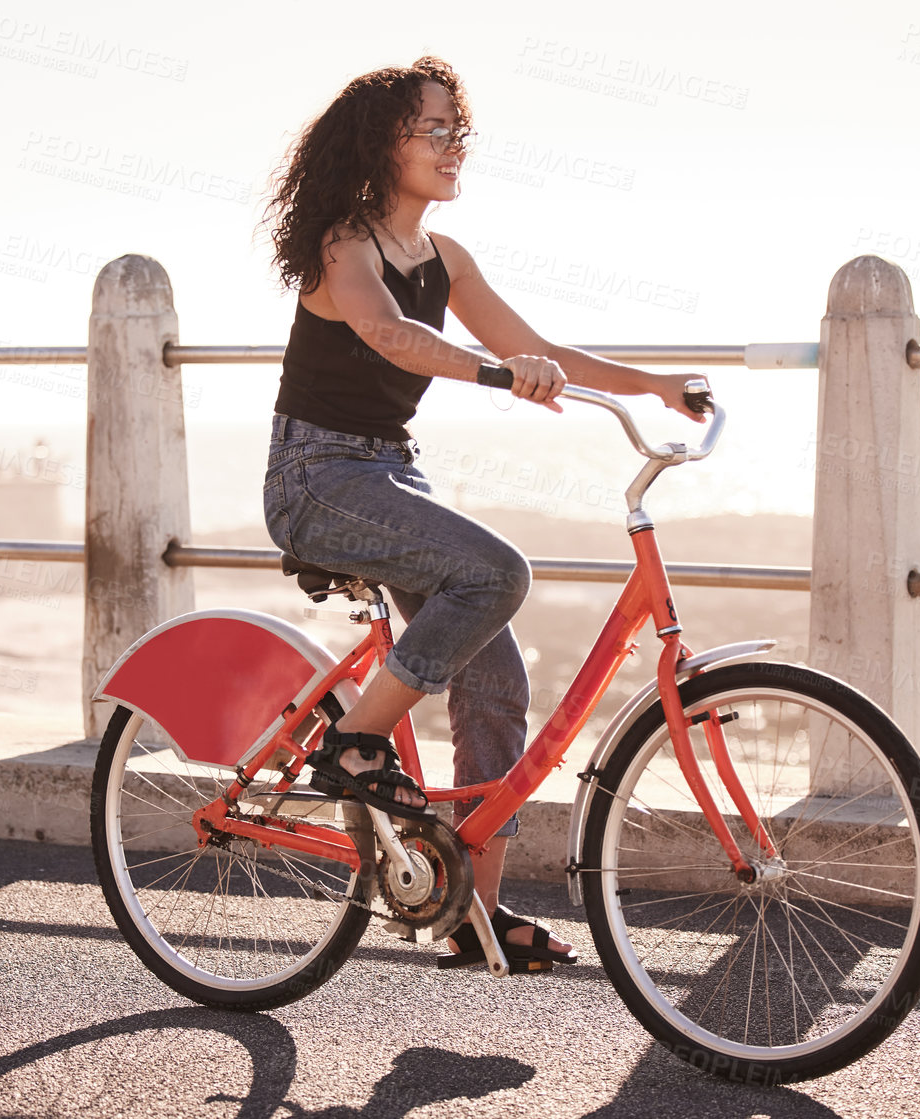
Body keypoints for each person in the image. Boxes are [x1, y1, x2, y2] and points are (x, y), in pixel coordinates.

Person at [258, 56, 706, 970]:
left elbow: (537, 348)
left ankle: (473, 913)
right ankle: (353, 741)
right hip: (317, 478)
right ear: (385, 144)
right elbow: (391, 333)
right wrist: (493, 374)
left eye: (460, 131)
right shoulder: (345, 243)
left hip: (390, 478)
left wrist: (653, 385)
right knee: (499, 572)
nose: (454, 146)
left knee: (496, 677)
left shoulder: (445, 258)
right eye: (435, 131)